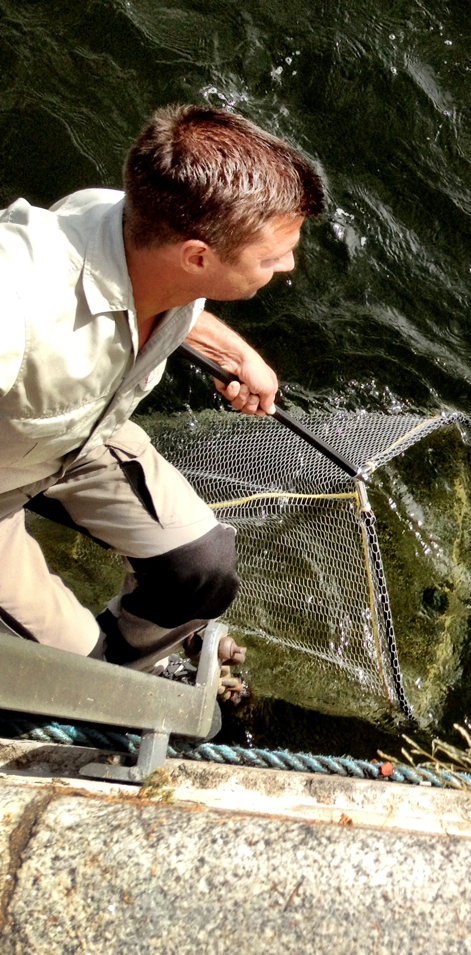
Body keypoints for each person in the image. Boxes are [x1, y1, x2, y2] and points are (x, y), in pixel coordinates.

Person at [0, 104, 325, 674]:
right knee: (78, 675)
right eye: (272, 256)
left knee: (201, 570)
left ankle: (131, 665)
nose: (288, 265)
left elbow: (130, 291)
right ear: (197, 257)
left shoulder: (129, 222)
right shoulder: (16, 303)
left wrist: (231, 350)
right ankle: (92, 675)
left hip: (78, 435)